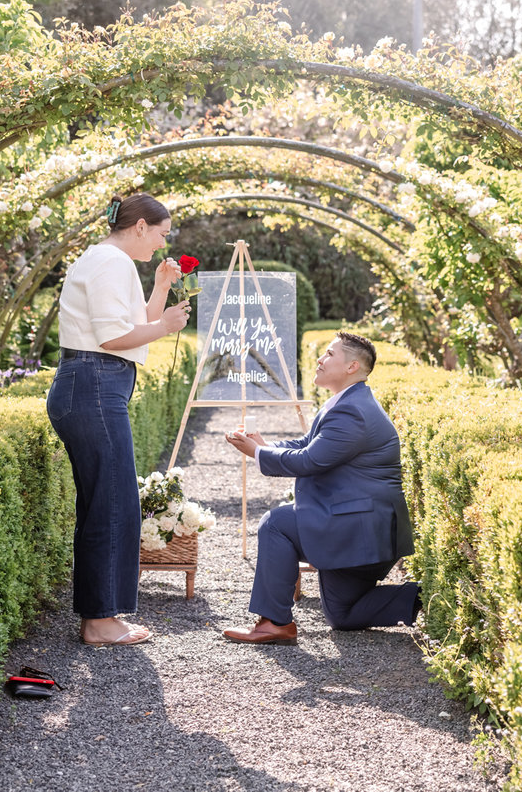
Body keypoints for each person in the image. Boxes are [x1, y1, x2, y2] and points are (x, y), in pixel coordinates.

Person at [46, 192, 191, 647]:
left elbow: (129, 327)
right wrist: (166, 327)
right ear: (141, 226)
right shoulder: (111, 262)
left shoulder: (103, 259)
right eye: (162, 235)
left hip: (89, 384)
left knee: (104, 503)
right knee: (113, 503)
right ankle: (101, 622)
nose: (161, 247)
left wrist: (162, 289)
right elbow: (114, 338)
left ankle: (100, 616)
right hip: (93, 385)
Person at [221, 332, 420, 645]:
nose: (320, 359)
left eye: (329, 354)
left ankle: (275, 622)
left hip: (361, 529)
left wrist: (258, 454)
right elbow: (308, 445)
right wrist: (266, 445)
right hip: (361, 528)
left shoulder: (352, 411)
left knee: (276, 524)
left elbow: (309, 460)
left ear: (352, 366)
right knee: (343, 613)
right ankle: (426, 599)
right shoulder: (348, 401)